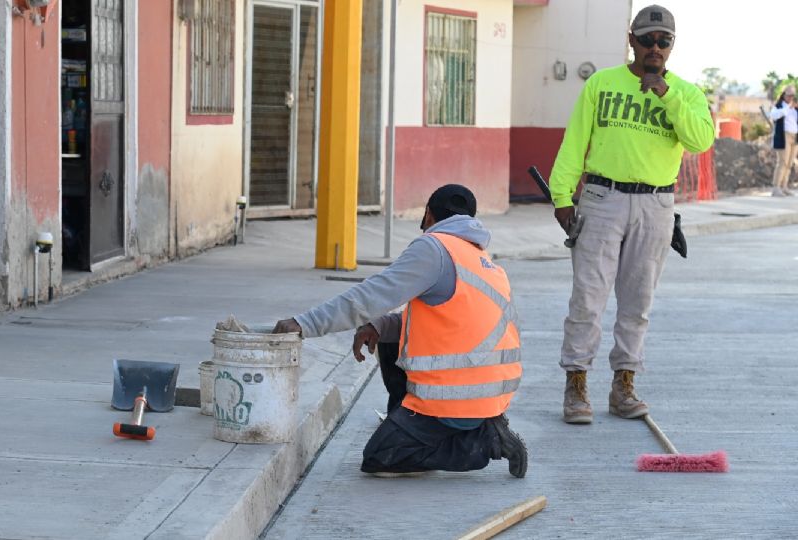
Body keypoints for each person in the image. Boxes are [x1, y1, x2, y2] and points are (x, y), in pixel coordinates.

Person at [273, 185, 527, 478]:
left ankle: (486, 441)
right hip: (486, 396)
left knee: (381, 458)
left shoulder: (434, 249)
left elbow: (372, 296)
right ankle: (422, 422)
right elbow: (442, 323)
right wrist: (379, 325)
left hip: (453, 400)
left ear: (428, 215)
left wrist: (305, 323)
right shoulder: (480, 258)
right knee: (387, 333)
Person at [548, 4, 714, 424]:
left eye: (664, 41)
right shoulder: (602, 84)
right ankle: (576, 383)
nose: (655, 48)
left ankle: (623, 384)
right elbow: (575, 142)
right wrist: (561, 196)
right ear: (631, 40)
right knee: (588, 298)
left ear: (672, 46)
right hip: (602, 198)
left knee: (638, 302)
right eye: (647, 40)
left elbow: (700, 141)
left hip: (656, 205)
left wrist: (667, 95)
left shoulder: (687, 94)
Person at [768, 85, 798, 197]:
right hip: (784, 136)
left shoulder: (795, 108)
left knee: (789, 163)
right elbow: (774, 116)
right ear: (783, 94)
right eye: (788, 95)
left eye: (792, 95)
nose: (790, 97)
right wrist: (788, 107)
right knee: (782, 162)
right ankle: (776, 187)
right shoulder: (779, 106)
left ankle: (784, 186)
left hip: (794, 136)